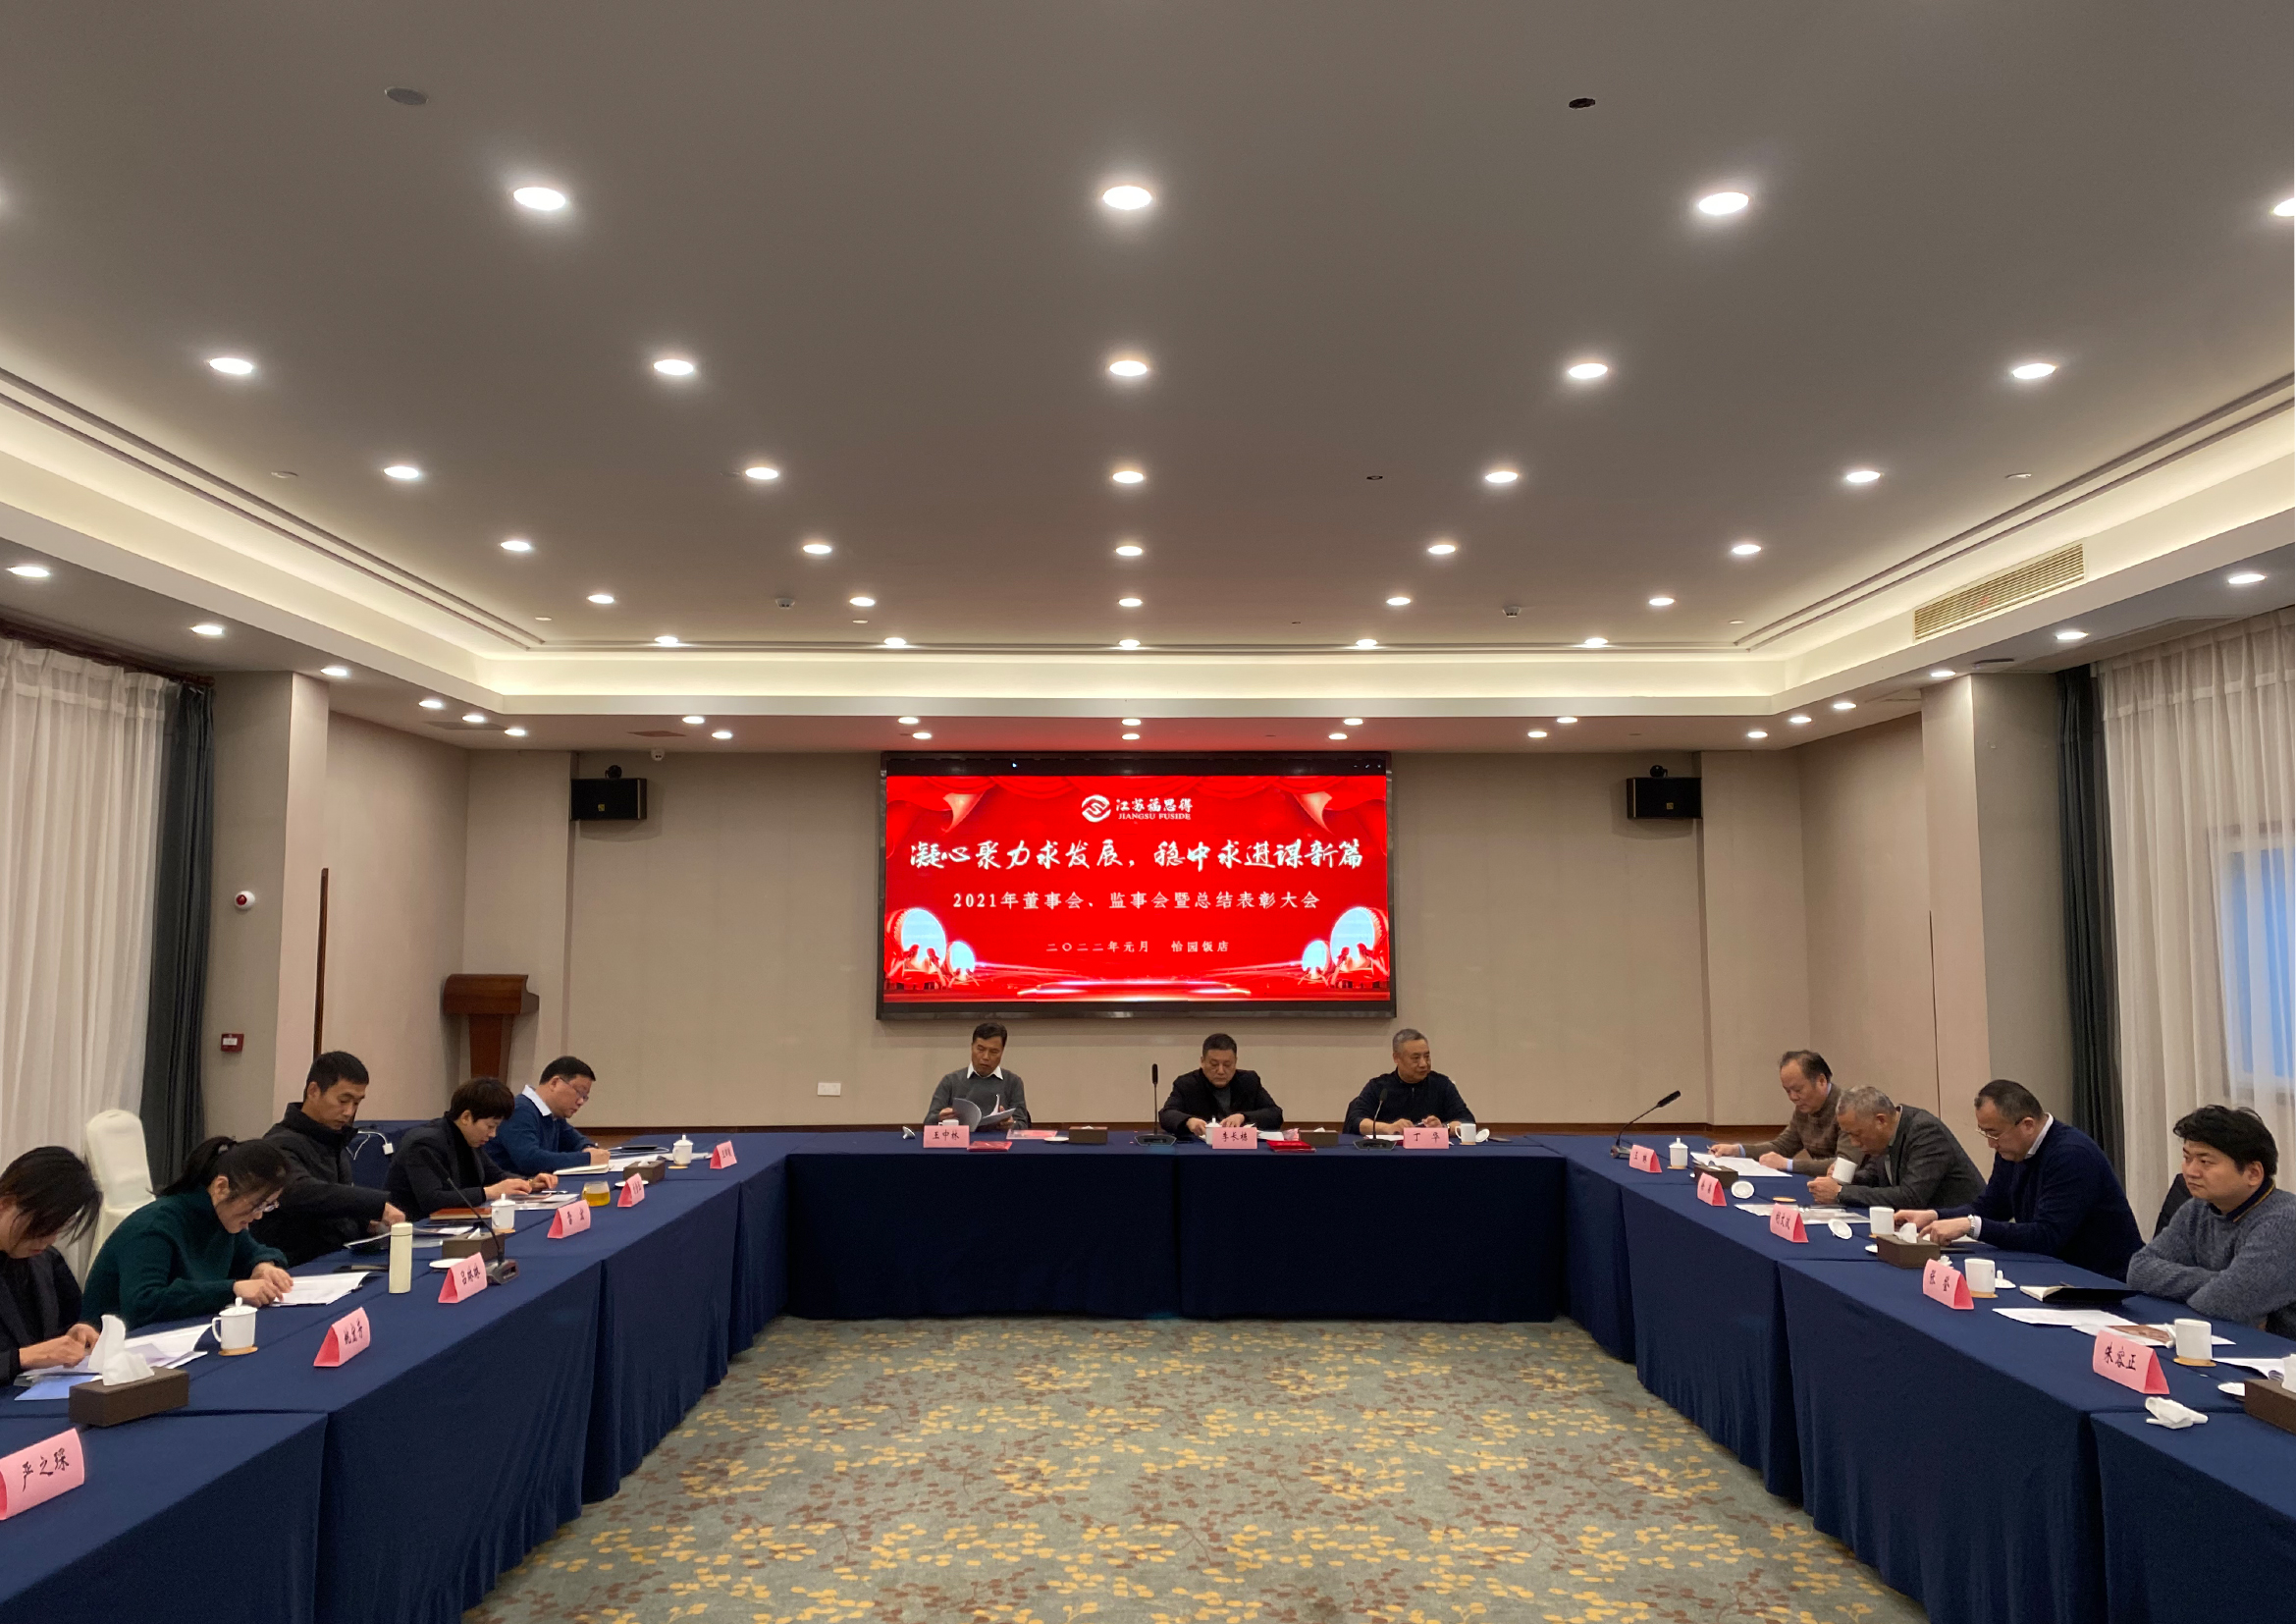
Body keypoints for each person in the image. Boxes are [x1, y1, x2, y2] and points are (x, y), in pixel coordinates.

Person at [1902, 1079, 2143, 1278]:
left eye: (1994, 1134)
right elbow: (1991, 1207)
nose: (1991, 1144)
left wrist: (1971, 1226)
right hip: (2054, 1271)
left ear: (2027, 1125)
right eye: (1985, 1133)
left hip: (2102, 1280)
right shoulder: (2012, 1149)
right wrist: (1934, 1216)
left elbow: (2046, 1236)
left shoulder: (2072, 1154)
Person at [81, 1137, 296, 1330]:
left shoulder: (222, 1218)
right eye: (257, 1204)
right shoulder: (155, 1226)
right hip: (112, 1347)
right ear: (221, 1187)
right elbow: (143, 1303)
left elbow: (255, 1252)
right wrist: (233, 1290)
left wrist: (264, 1266)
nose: (258, 1215)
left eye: (267, 1206)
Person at [2126, 1106, 2296, 1337]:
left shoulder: (2284, 1220)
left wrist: (2227, 1289)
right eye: (2187, 1158)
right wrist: (2221, 1281)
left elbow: (2225, 1302)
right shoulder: (2197, 1209)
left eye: (2205, 1162)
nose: (2191, 1172)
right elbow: (2139, 1270)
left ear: (2253, 1174)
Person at [254, 1050, 405, 1265]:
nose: (349, 1112)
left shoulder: (332, 1140)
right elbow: (302, 1192)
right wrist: (376, 1204)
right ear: (313, 1091)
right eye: (343, 1100)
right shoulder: (277, 1144)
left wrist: (365, 1224)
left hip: (337, 1259)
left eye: (356, 1103)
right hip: (296, 1265)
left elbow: (335, 1210)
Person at [0, 1148, 102, 1380]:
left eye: (59, 1228)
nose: (49, 1239)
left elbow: (59, 1328)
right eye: (42, 1226)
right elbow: (27, 1352)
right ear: (5, 1204)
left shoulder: (45, 1260)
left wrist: (74, 1336)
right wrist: (21, 1358)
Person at [386, 1076, 551, 1219]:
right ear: (466, 1117)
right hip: (412, 1229)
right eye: (490, 1126)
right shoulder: (424, 1143)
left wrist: (528, 1182)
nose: (493, 1134)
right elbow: (432, 1200)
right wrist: (489, 1192)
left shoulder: (468, 1138)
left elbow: (495, 1175)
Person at [1808, 1085, 1985, 1212]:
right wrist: (1845, 1179)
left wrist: (1841, 1192)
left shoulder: (1925, 1132)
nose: (1854, 1143)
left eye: (1857, 1134)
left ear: (1881, 1120)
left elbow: (1910, 1197)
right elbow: (1873, 1177)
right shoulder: (1885, 1136)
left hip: (1965, 1230)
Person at [1710, 1051, 1842, 1173]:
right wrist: (1738, 1150)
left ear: (1821, 1081)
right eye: (1788, 1091)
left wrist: (1788, 1164)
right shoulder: (1804, 1109)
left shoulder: (1846, 1109)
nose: (1793, 1097)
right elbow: (1782, 1147)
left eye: (1798, 1090)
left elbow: (1845, 1165)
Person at [494, 1055, 613, 1176]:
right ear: (555, 1083)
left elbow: (574, 1140)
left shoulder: (553, 1114)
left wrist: (587, 1148)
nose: (581, 1101)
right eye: (579, 1092)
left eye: (585, 1097)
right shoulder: (519, 1110)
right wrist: (587, 1159)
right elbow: (530, 1160)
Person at [1343, 1029, 1475, 1138]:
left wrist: (1444, 1128)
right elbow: (1354, 1121)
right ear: (1397, 1058)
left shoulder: (1442, 1084)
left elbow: (1467, 1122)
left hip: (1432, 1155)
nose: (1424, 1064)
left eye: (1427, 1056)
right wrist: (1388, 1128)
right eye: (1416, 1058)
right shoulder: (1379, 1087)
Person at [1159, 1034, 1284, 1138]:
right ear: (1202, 1062)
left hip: (1241, 1148)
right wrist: (1188, 1121)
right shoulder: (1187, 1084)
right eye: (1214, 1064)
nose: (1220, 1071)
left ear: (1235, 1062)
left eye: (1227, 1065)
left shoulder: (1249, 1081)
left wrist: (1243, 1117)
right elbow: (1167, 1114)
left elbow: (1275, 1114)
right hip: (1201, 1149)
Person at [926, 1022, 1031, 1128]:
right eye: (980, 1049)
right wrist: (939, 1118)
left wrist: (1011, 1125)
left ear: (1002, 1052)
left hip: (998, 1138)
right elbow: (928, 1122)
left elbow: (1022, 1125)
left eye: (994, 1051)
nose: (986, 1057)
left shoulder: (1013, 1082)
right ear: (972, 1047)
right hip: (961, 1138)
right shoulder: (951, 1081)